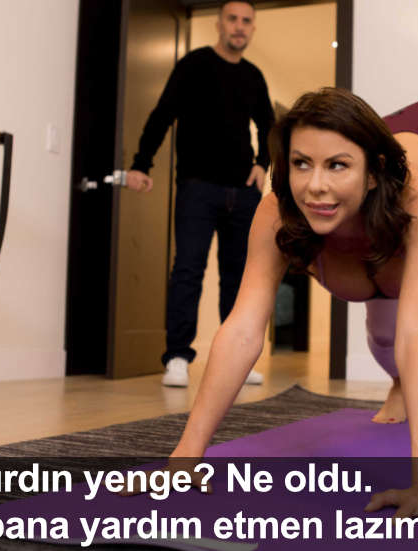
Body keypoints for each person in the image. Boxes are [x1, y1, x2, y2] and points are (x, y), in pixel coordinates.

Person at [168, 87, 418, 531]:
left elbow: (417, 335)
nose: (315, 186)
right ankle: (399, 385)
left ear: (373, 173)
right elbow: (243, 329)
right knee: (382, 331)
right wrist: (186, 456)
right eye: (301, 163)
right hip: (384, 172)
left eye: (337, 166)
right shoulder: (276, 211)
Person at [126, 0, 274, 387]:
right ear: (219, 24)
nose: (239, 26)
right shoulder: (193, 65)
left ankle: (236, 360)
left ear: (252, 28)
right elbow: (162, 115)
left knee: (239, 278)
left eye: (246, 21)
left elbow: (270, 126)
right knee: (188, 271)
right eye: (232, 19)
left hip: (243, 192)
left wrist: (263, 163)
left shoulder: (254, 76)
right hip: (197, 188)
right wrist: (141, 164)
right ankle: (177, 357)